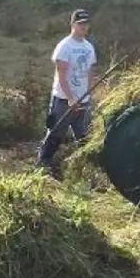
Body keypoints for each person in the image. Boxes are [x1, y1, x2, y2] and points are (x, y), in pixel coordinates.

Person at [35, 9, 98, 171]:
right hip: (63, 100)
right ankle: (43, 163)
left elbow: (90, 71)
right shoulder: (65, 46)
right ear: (73, 24)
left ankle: (86, 167)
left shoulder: (89, 47)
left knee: (84, 136)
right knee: (55, 133)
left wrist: (89, 93)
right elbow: (61, 74)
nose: (84, 27)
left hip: (83, 100)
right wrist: (70, 98)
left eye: (86, 24)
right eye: (80, 24)